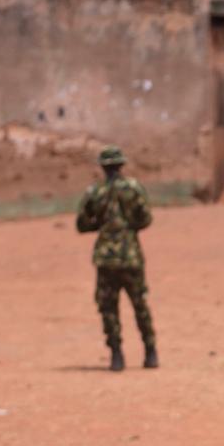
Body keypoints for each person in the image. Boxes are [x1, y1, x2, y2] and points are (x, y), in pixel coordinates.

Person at [75, 146, 157, 372]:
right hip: (131, 256)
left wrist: (101, 225)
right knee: (140, 303)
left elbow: (82, 224)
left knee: (108, 308)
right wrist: (128, 227)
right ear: (121, 165)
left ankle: (116, 355)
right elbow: (146, 219)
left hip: (106, 258)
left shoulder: (95, 192)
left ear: (103, 167)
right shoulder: (134, 188)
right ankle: (150, 352)